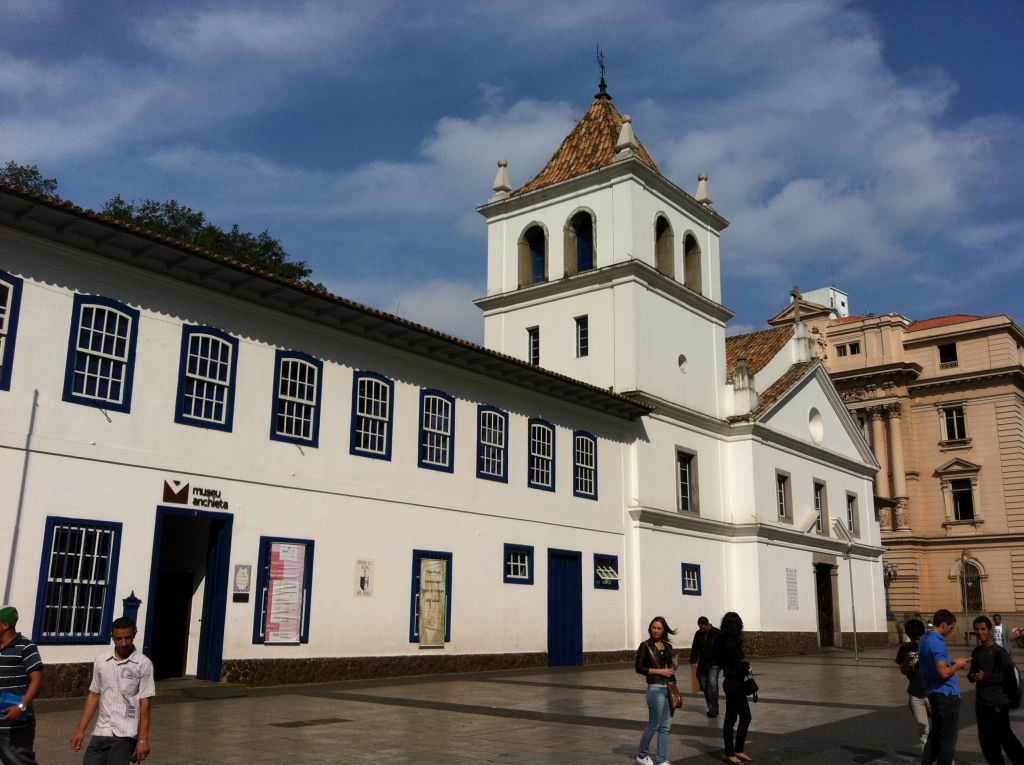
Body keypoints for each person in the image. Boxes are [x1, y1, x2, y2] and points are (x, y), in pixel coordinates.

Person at [71, 617, 155, 764]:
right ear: (112, 638)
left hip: (126, 733)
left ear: (134, 634)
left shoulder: (143, 664)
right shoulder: (101, 661)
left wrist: (143, 740)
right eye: (119, 639)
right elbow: (94, 696)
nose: (123, 643)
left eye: (127, 638)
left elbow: (145, 703)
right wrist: (80, 730)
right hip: (101, 730)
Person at [968, 615, 1024, 765]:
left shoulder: (1000, 652)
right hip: (982, 703)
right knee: (987, 743)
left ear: (990, 630)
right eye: (977, 630)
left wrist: (986, 676)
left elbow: (1007, 676)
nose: (980, 632)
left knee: (1006, 738)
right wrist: (972, 676)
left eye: (983, 629)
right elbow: (972, 672)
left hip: (998, 703)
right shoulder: (976, 652)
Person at [919, 608, 970, 765]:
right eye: (951, 627)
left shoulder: (924, 640)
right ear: (943, 624)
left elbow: (936, 666)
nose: (951, 631)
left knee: (935, 738)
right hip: (946, 695)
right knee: (948, 742)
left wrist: (950, 663)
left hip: (933, 693)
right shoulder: (938, 644)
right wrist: (958, 665)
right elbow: (943, 672)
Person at [0, 605, 43, 765]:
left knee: (19, 761)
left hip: (17, 722)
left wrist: (21, 706)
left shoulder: (26, 647)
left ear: (5, 625)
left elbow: (37, 680)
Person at [634, 616, 678, 765]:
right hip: (655, 689)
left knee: (665, 727)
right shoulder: (645, 646)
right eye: (654, 627)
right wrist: (659, 672)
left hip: (670, 688)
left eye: (659, 628)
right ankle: (641, 755)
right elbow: (639, 668)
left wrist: (673, 666)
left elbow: (669, 668)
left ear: (664, 629)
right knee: (654, 725)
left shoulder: (668, 647)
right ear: (650, 628)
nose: (656, 630)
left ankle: (661, 759)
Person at [719, 611, 752, 764]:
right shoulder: (729, 643)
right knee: (742, 716)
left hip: (733, 682)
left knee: (732, 717)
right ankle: (731, 751)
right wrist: (747, 667)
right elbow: (738, 663)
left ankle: (736, 750)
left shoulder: (729, 640)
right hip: (733, 683)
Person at [896, 618, 930, 753]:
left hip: (932, 692)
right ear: (909, 637)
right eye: (914, 638)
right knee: (923, 729)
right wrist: (906, 661)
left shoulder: (928, 645)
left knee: (940, 728)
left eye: (919, 638)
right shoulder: (904, 649)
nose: (917, 641)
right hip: (915, 694)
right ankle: (928, 759)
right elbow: (903, 671)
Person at [689, 615, 721, 717]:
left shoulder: (717, 633)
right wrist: (693, 662)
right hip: (703, 664)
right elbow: (694, 648)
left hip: (715, 664)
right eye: (700, 628)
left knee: (712, 685)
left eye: (703, 627)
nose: (702, 630)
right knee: (705, 687)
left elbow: (723, 648)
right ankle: (711, 707)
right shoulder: (698, 634)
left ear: (708, 624)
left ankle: (714, 709)